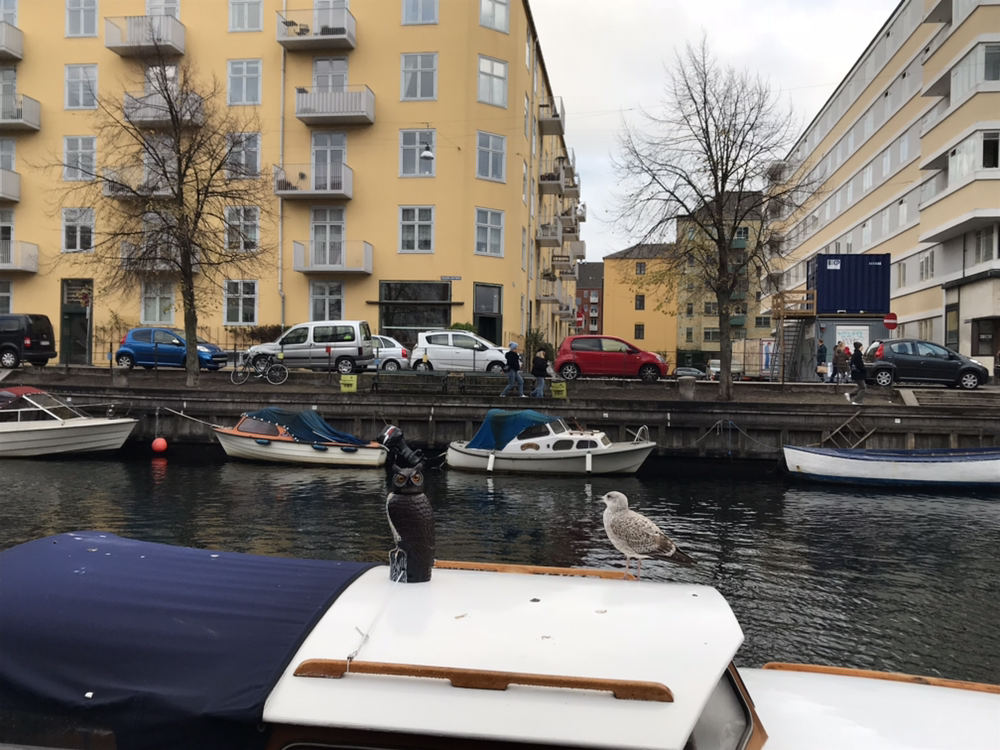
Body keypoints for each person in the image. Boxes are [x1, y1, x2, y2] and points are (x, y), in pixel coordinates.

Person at [845, 341, 867, 405]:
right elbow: (859, 365)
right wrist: (864, 370)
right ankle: (857, 401)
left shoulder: (854, 354)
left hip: (855, 373)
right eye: (861, 346)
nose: (863, 347)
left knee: (861, 387)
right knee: (863, 388)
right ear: (859, 347)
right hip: (859, 373)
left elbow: (852, 364)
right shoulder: (858, 354)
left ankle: (850, 395)